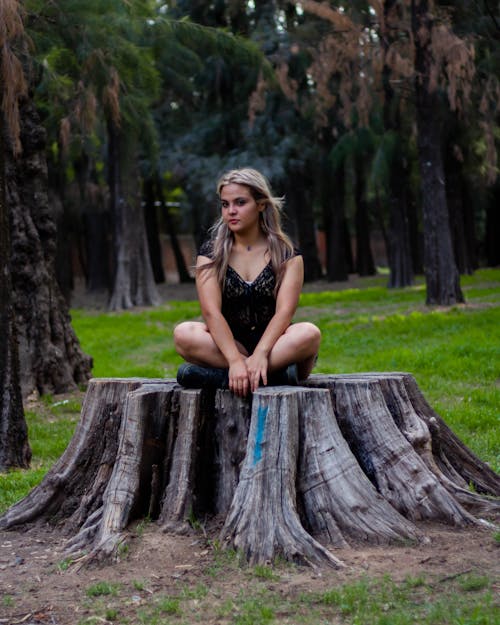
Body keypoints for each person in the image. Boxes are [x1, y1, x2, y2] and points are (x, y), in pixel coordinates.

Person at [174, 168, 321, 397]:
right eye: (225, 204)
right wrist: (234, 360)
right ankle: (275, 376)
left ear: (261, 204)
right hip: (229, 346)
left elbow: (285, 312)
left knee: (309, 333)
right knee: (183, 333)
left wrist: (262, 352)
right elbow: (211, 312)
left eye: (240, 202)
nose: (231, 211)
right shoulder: (211, 254)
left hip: (275, 347)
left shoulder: (287, 255)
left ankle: (222, 377)